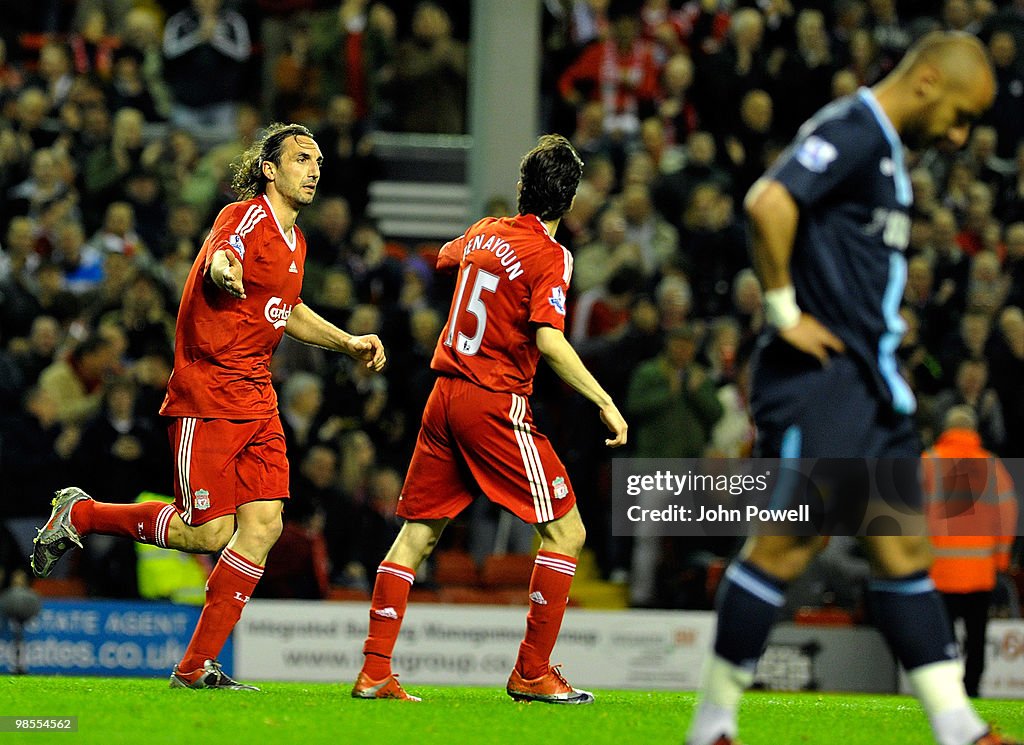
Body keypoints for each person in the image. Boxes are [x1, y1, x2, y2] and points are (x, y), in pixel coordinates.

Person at [685, 32, 1021, 745]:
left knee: (902, 551)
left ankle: (957, 725)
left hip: (871, 386)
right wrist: (785, 314)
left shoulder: (886, 149)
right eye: (960, 116)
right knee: (786, 545)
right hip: (824, 380)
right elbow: (769, 202)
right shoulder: (854, 129)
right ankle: (711, 724)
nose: (961, 137)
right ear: (927, 82)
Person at [31, 122, 387, 691]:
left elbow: (286, 311)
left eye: (318, 159)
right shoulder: (245, 217)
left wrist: (346, 342)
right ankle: (79, 514)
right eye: (301, 158)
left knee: (264, 525)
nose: (314, 168)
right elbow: (225, 256)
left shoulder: (298, 243)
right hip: (208, 394)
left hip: (258, 398)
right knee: (207, 533)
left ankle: (194, 667)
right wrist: (223, 271)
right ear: (270, 170)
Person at [351, 134, 628, 703]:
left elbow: (445, 258)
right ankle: (531, 672)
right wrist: (602, 400)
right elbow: (549, 339)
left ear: (524, 189)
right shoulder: (553, 256)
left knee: (417, 536)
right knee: (566, 531)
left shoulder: (485, 230)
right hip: (493, 401)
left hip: (443, 394)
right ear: (569, 201)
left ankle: (375, 669)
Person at [923, 406, 1018, 698]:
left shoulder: (929, 462)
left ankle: (947, 691)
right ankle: (973, 688)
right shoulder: (991, 465)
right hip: (980, 570)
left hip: (940, 570)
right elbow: (1008, 512)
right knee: (977, 637)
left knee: (943, 638)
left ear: (946, 429)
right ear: (974, 430)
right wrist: (1001, 557)